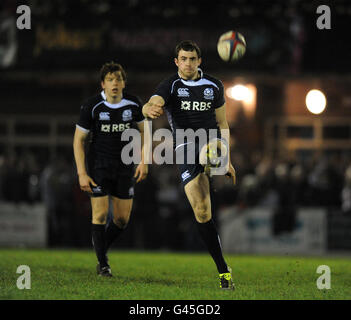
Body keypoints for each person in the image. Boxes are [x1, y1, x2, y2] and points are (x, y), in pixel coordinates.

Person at [142, 40, 236, 290]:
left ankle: (213, 161)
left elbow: (223, 124)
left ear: (199, 61)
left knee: (209, 151)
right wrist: (148, 107)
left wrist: (226, 158)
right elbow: (153, 101)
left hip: (210, 143)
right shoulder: (171, 84)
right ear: (177, 62)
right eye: (183, 59)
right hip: (184, 150)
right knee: (202, 213)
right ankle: (223, 269)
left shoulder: (214, 85)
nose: (188, 63)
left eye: (192, 58)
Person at [73, 62, 149, 277]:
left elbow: (145, 132)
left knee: (122, 219)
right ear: (103, 84)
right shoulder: (92, 106)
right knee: (100, 215)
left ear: (124, 82)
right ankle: (103, 264)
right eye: (110, 79)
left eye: (118, 79)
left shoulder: (134, 104)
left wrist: (144, 161)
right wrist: (82, 173)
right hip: (99, 166)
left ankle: (100, 249)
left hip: (125, 167)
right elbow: (78, 140)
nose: (114, 83)